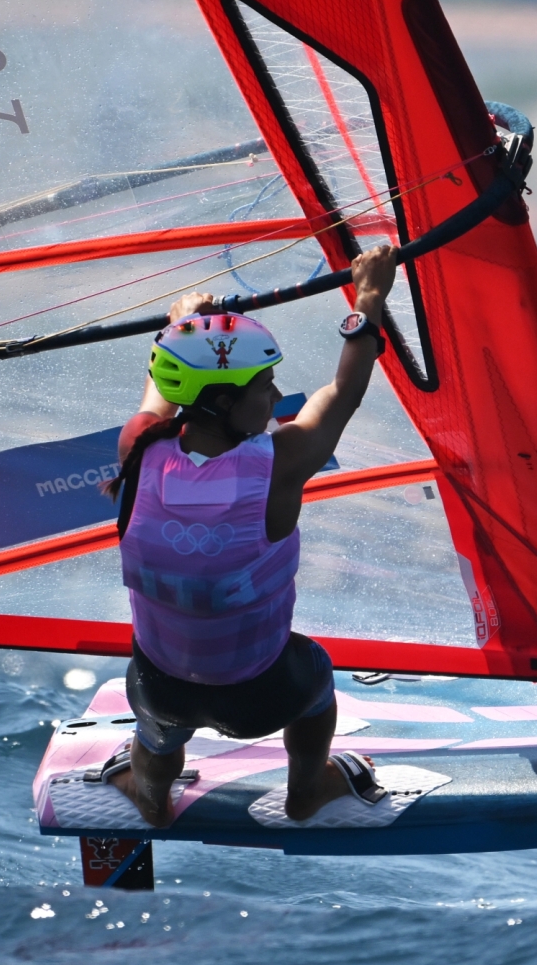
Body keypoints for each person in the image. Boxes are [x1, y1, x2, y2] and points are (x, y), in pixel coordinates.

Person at [100, 243, 401, 828]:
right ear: (224, 401)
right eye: (264, 383)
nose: (274, 393)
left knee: (158, 729)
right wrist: (370, 295)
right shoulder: (279, 462)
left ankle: (151, 797)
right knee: (316, 675)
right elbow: (344, 393)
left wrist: (184, 326)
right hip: (264, 695)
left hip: (158, 684)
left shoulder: (140, 446)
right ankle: (306, 790)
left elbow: (164, 387)